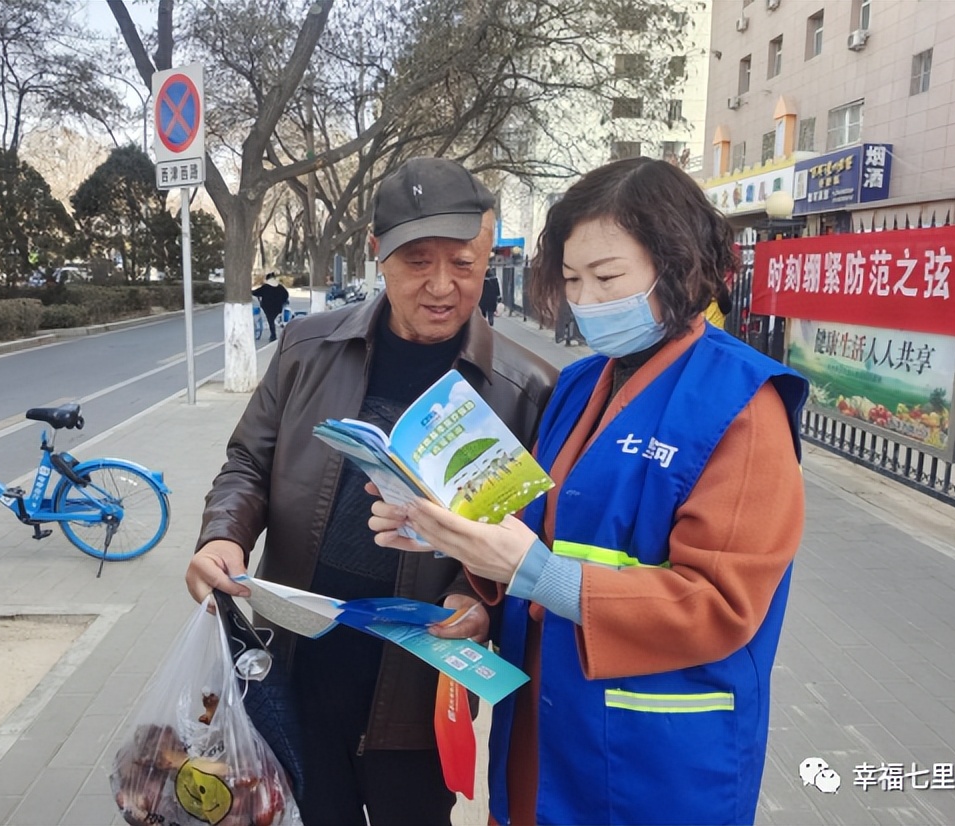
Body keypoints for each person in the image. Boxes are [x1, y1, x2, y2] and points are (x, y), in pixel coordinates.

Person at [369, 157, 809, 826]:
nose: (588, 300)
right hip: (547, 727)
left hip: (653, 751)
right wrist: (455, 552)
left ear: (677, 264)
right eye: (573, 279)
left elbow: (722, 602)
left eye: (608, 278)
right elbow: (526, 523)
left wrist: (539, 575)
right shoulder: (580, 385)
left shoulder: (742, 404)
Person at [187, 157, 557, 826]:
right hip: (294, 663)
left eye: (464, 263)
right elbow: (248, 460)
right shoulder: (307, 348)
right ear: (375, 252)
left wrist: (476, 600)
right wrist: (223, 532)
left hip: (417, 687)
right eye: (417, 260)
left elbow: (530, 535)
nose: (442, 286)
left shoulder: (524, 391)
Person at [252, 272, 291, 341]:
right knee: (279, 320)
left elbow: (255, 293)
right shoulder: (280, 287)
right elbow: (286, 295)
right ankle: (284, 334)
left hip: (268, 307)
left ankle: (273, 335)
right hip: (278, 307)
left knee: (271, 321)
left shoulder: (265, 287)